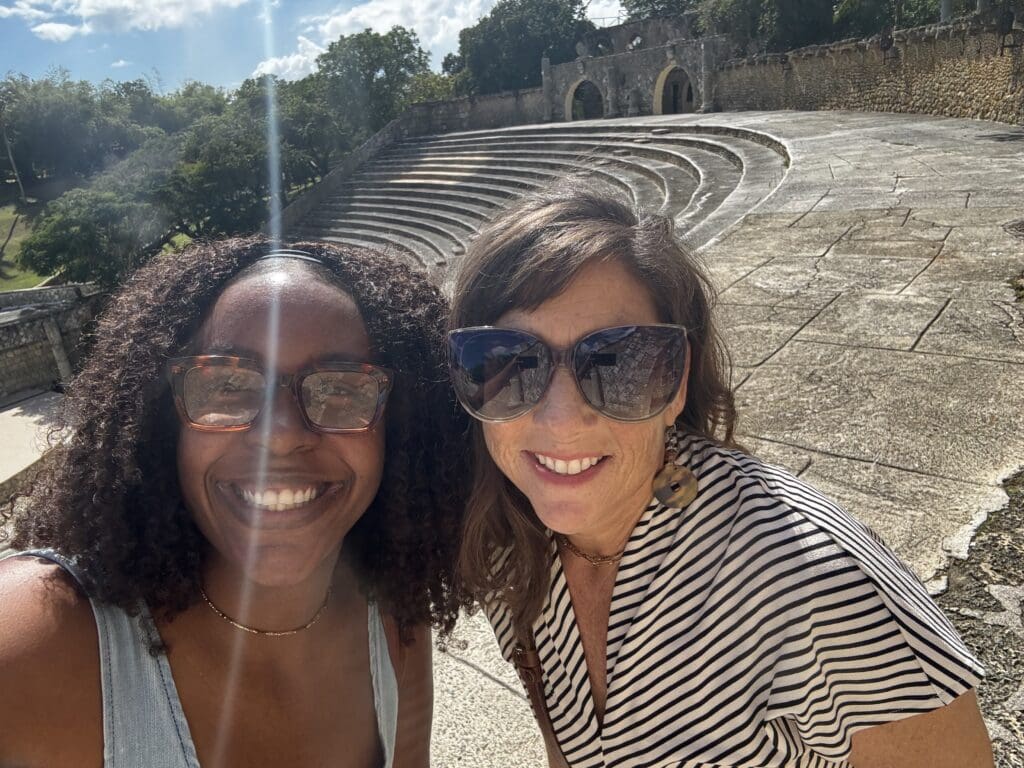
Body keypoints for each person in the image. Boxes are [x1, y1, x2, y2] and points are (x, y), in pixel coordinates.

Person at [447, 189, 994, 767]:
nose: (560, 419)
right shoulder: (507, 546)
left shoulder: (821, 588)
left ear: (677, 382)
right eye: (508, 360)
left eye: (619, 362)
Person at [0, 238, 467, 768]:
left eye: (341, 389)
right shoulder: (32, 640)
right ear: (162, 424)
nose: (280, 436)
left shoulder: (395, 615)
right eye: (227, 384)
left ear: (401, 429)